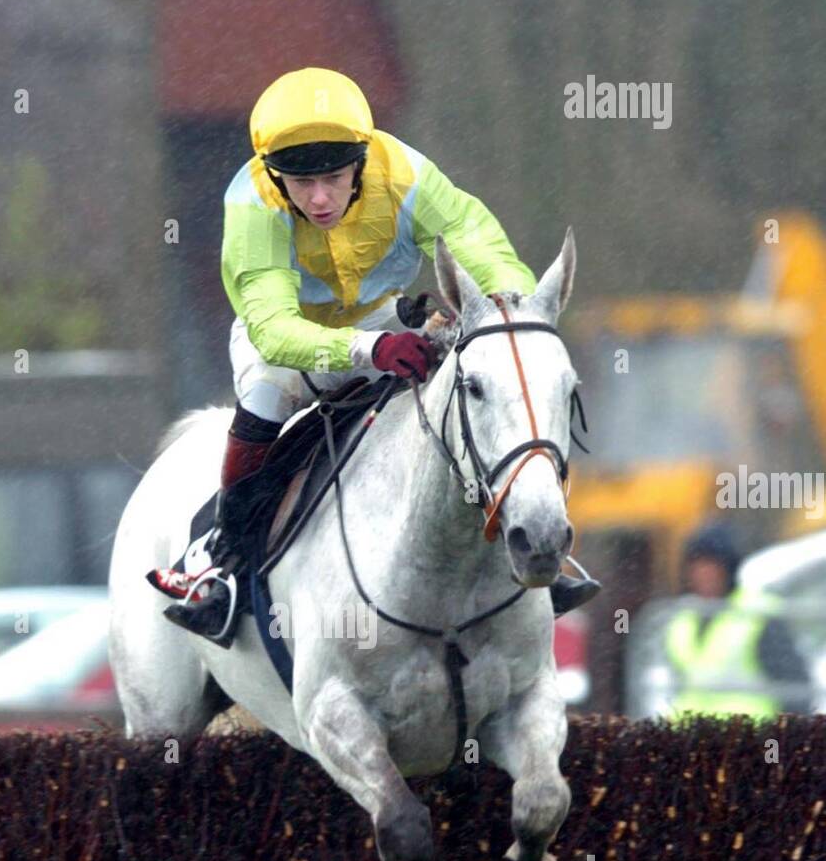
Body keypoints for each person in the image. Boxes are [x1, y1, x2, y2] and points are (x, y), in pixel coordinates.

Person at [153, 67, 599, 645]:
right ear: (276, 175)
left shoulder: (406, 173)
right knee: (264, 399)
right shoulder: (253, 200)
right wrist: (371, 349)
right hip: (290, 338)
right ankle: (220, 560)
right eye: (301, 183)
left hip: (382, 317)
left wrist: (507, 310)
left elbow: (476, 242)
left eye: (333, 179)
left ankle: (537, 547)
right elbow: (274, 329)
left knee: (487, 383)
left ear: (361, 164)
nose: (318, 199)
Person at [664, 522, 811, 719]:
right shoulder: (684, 618)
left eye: (712, 566)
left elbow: (793, 688)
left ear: (728, 568)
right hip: (695, 733)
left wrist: (788, 733)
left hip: (750, 732)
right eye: (697, 566)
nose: (703, 575)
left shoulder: (757, 613)